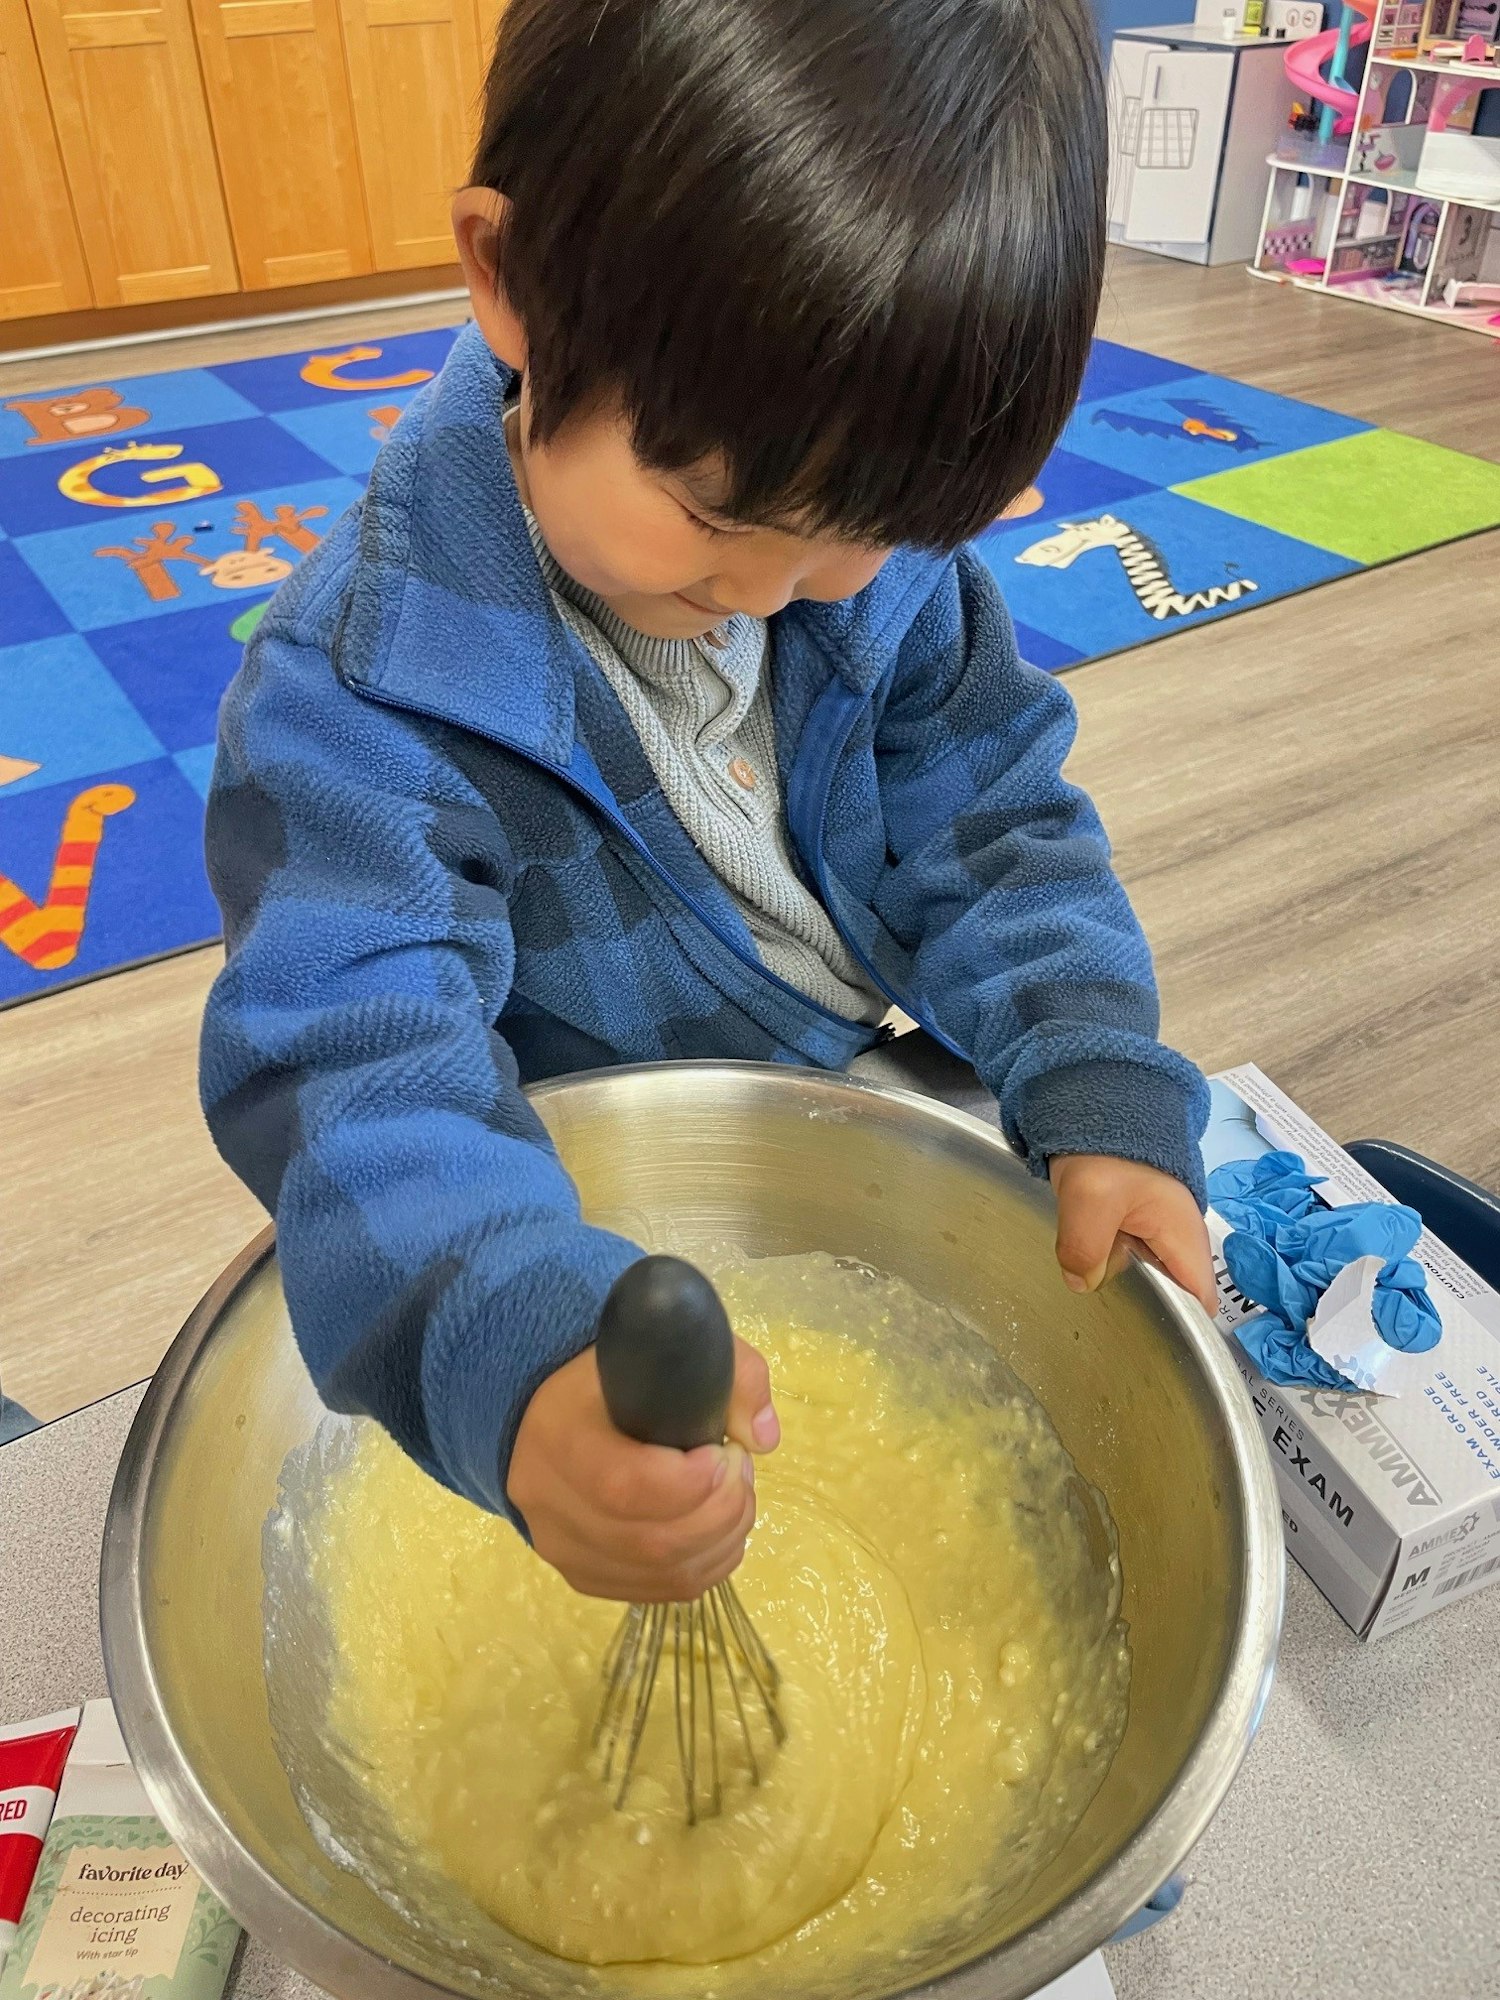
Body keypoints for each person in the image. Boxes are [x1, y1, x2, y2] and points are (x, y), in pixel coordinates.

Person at [201, 0, 1216, 1612]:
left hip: (844, 1100)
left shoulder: (856, 563)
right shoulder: (365, 695)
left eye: (854, 537)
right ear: (510, 282)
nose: (772, 597)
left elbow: (992, 821)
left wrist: (1090, 1067)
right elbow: (354, 1072)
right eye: (719, 519)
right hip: (560, 1203)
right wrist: (520, 1363)